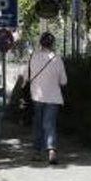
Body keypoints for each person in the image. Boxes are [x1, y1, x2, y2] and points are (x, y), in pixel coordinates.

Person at [20, 32, 68, 164]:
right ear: (52, 44)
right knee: (50, 124)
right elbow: (64, 81)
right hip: (53, 97)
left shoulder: (33, 57)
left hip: (37, 96)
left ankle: (36, 152)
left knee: (38, 124)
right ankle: (51, 150)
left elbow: (26, 77)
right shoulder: (57, 59)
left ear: (40, 43)